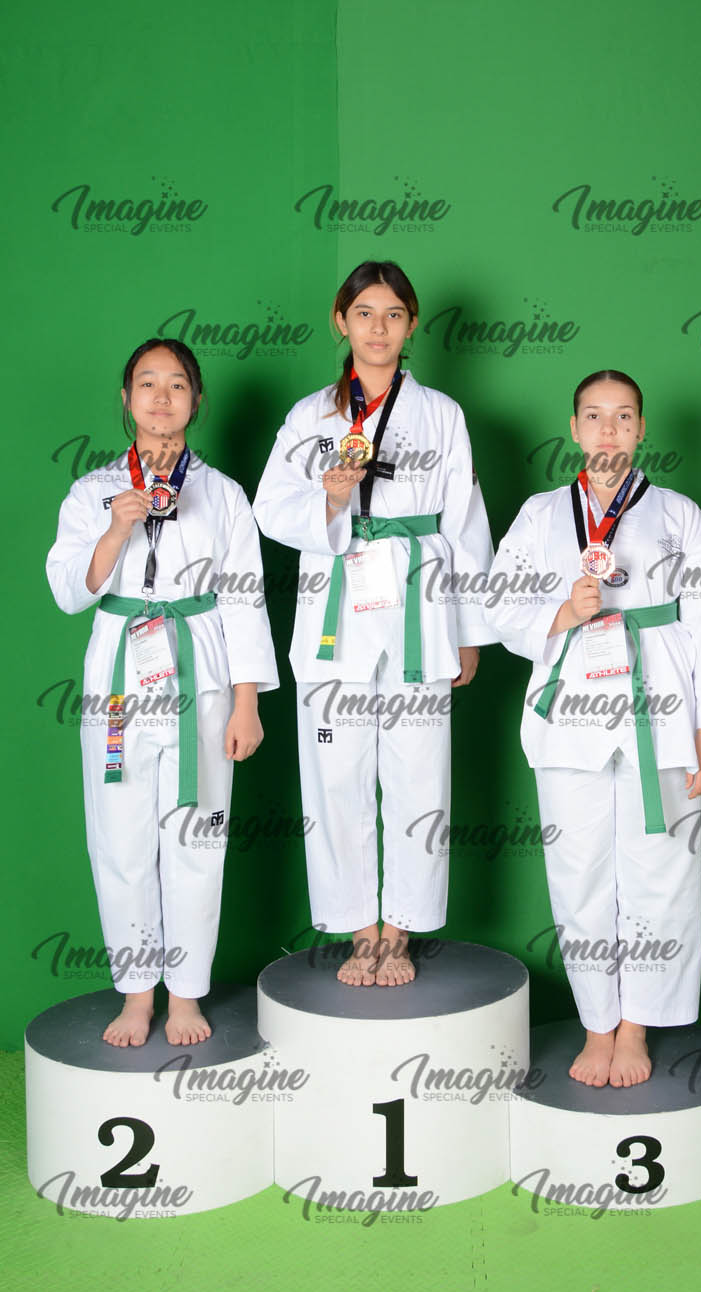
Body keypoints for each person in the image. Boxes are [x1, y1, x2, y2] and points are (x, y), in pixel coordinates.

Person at [488, 370, 701, 1087]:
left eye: (624, 417)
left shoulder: (676, 513)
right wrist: (561, 611)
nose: (608, 430)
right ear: (573, 428)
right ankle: (597, 1024)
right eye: (594, 416)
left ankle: (636, 1026)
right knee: (577, 872)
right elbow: (497, 603)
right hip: (571, 709)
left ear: (642, 429)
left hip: (662, 708)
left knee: (662, 871)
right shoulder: (543, 514)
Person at [254, 261, 494, 987]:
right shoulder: (310, 417)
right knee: (336, 773)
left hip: (422, 602)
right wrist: (328, 500)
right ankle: (360, 927)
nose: (378, 327)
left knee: (419, 772)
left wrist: (469, 629)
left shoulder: (442, 414)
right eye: (364, 313)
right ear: (342, 321)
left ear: (412, 324)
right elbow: (269, 507)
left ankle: (401, 929)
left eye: (393, 314)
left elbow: (466, 523)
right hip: (337, 601)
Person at [46, 339, 278, 1048]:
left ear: (196, 401)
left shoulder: (225, 494)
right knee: (118, 837)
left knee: (196, 836)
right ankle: (136, 992)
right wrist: (118, 526)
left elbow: (244, 599)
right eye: (146, 383)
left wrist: (247, 702)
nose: (160, 396)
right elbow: (68, 591)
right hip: (120, 670)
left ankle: (185, 993)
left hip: (200, 667)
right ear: (126, 399)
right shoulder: (92, 492)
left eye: (176, 384)